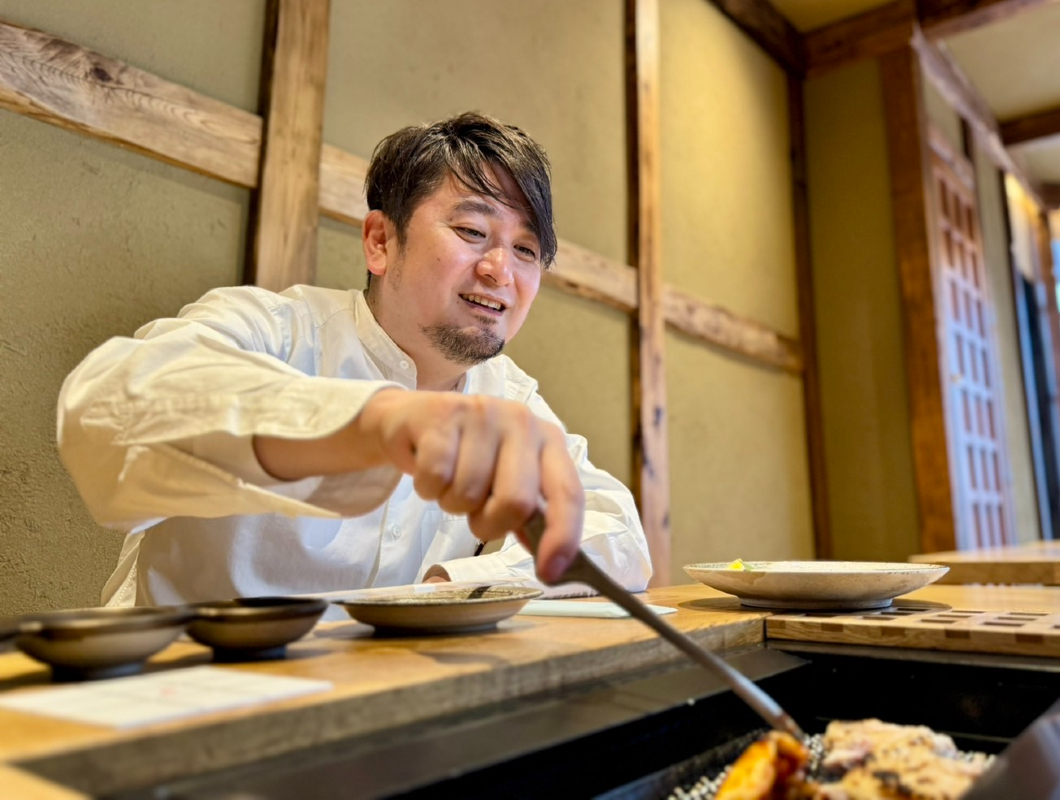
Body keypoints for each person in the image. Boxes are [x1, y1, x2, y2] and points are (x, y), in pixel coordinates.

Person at [56, 112, 653, 606]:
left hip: (371, 713)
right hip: (176, 700)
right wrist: (376, 422)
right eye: (472, 231)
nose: (501, 270)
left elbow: (619, 535)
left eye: (525, 249)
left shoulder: (508, 395)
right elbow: (107, 408)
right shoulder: (278, 330)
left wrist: (454, 586)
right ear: (379, 241)